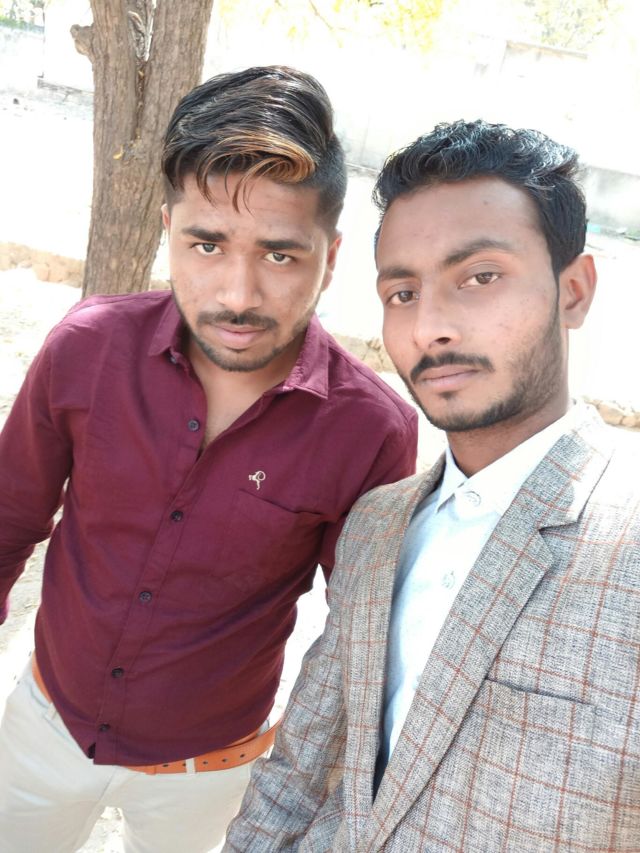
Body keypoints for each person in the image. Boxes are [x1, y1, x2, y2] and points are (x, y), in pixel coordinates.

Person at [0, 66, 418, 853]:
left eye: (280, 255)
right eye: (207, 244)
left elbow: (363, 635)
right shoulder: (87, 348)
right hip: (43, 730)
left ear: (330, 257)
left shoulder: (371, 431)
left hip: (212, 774)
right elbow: (8, 516)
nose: (237, 293)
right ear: (169, 230)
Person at [224, 119, 640, 851]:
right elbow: (299, 768)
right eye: (403, 292)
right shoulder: (378, 524)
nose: (431, 327)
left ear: (573, 291)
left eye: (480, 277)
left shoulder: (626, 535)